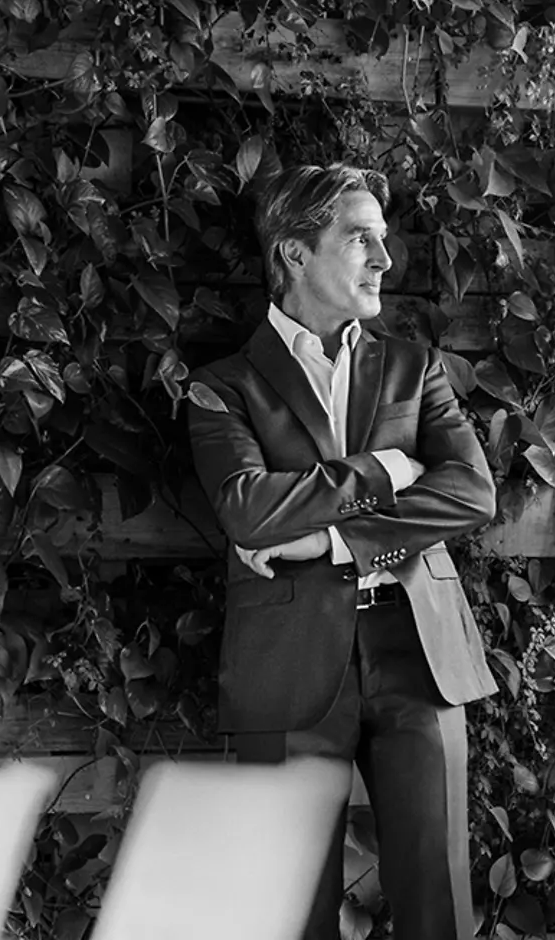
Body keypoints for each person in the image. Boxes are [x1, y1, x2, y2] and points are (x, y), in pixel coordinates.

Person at [186, 162, 500, 940]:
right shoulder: (221, 386)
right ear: (293, 253)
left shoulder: (413, 365)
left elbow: (471, 492)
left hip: (418, 655)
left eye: (383, 240)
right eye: (361, 239)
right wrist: (386, 470)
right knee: (288, 912)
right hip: (284, 664)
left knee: (438, 909)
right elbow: (249, 510)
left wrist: (330, 538)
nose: (384, 260)